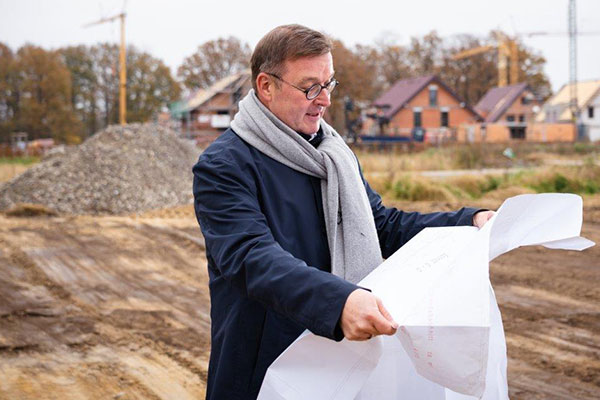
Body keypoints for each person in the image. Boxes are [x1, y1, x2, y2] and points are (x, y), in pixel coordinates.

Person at [192, 24, 494, 400]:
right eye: (310, 87)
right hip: (267, 368)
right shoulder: (224, 165)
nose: (325, 100)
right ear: (266, 87)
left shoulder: (333, 157)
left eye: (329, 84)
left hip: (342, 366)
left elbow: (382, 225)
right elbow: (250, 257)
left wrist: (468, 221)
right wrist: (339, 302)